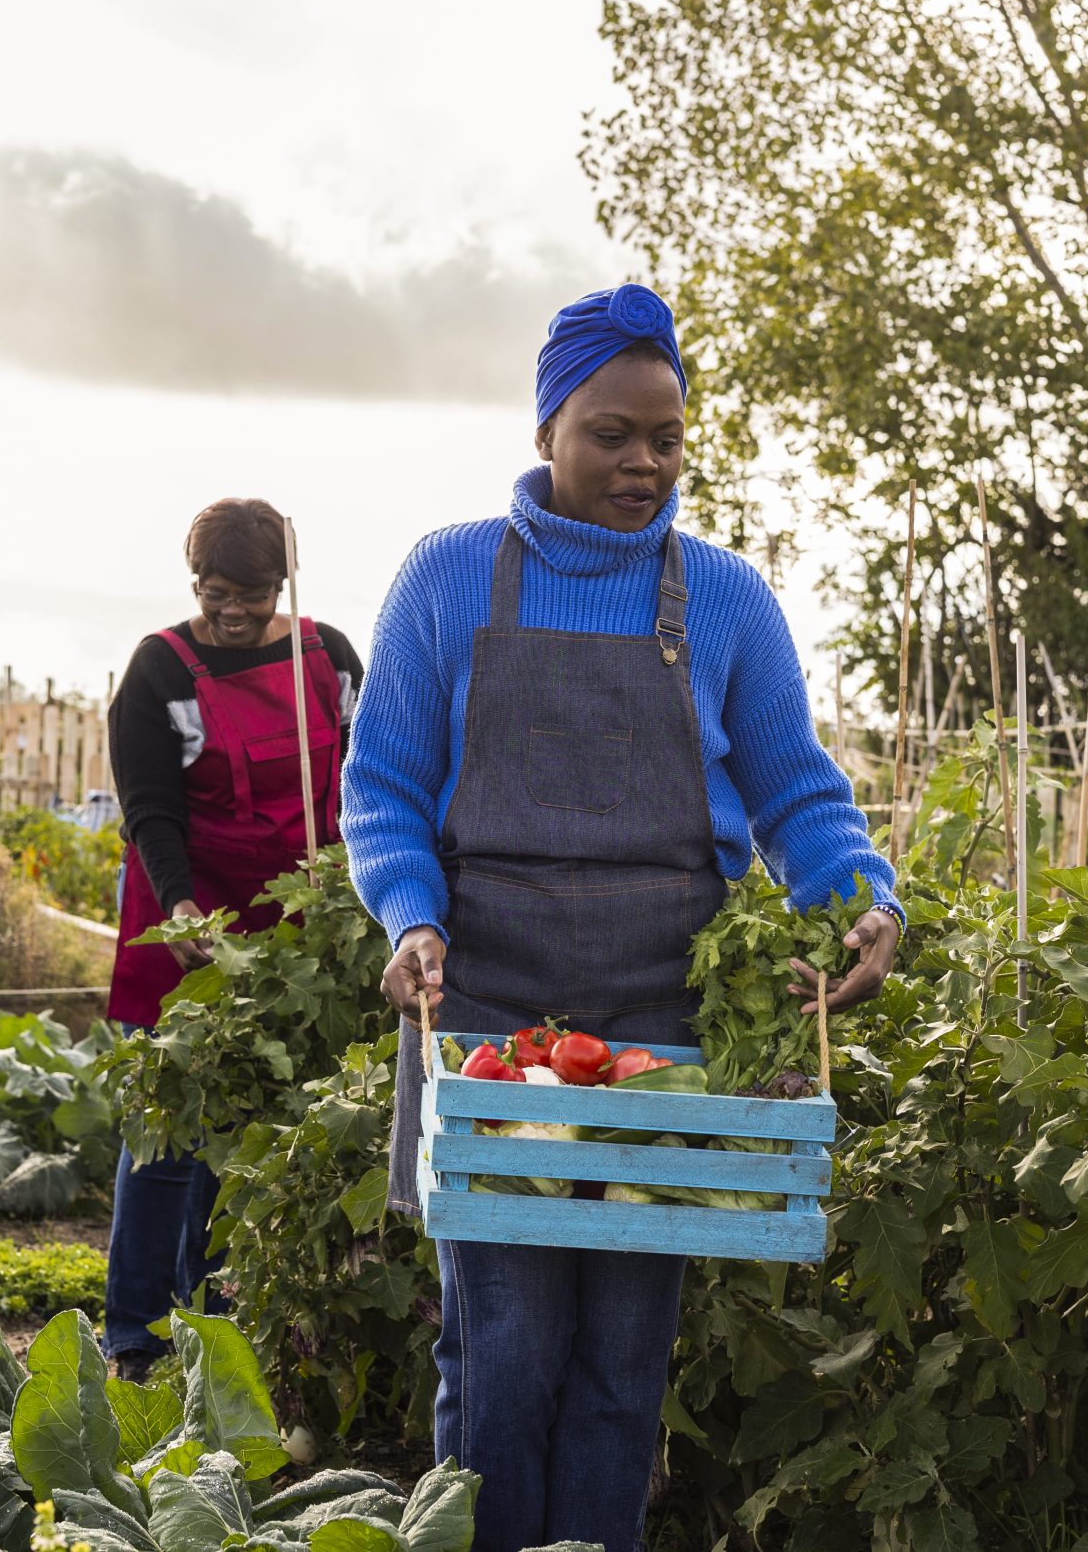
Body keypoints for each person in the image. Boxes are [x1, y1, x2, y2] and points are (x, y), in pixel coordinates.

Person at [342, 283, 902, 1552]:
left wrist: (863, 903)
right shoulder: (445, 578)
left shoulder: (722, 598)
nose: (642, 463)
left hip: (663, 1019)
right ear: (548, 429)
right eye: (611, 432)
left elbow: (795, 794)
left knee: (620, 1360)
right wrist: (409, 916)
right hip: (486, 1010)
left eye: (665, 438)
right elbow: (378, 786)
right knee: (505, 1348)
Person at [102, 497, 360, 1379]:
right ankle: (134, 1336)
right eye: (217, 593)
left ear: (281, 585)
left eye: (251, 593)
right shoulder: (160, 670)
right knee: (166, 1139)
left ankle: (218, 1332)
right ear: (195, 583)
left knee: (253, 1141)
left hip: (295, 940)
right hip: (188, 924)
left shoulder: (326, 659)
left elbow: (364, 779)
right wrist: (179, 907)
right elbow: (149, 808)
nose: (233, 610)